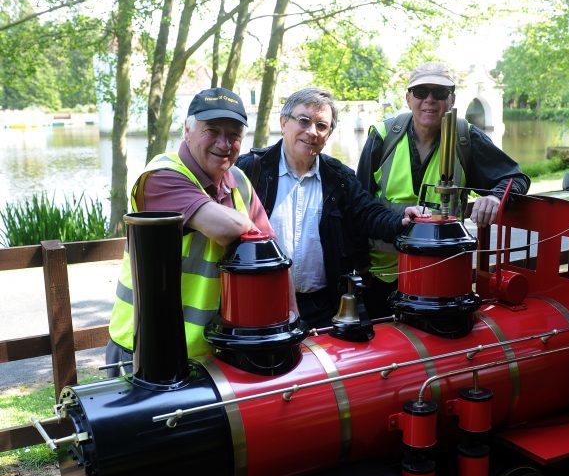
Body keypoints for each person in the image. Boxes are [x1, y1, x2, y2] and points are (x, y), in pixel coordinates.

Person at [107, 87, 273, 364]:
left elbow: (273, 250)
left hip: (209, 352)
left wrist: (291, 317)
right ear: (187, 129)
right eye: (212, 130)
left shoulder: (239, 180)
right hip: (144, 349)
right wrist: (248, 226)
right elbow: (223, 229)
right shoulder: (161, 176)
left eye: (234, 135)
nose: (224, 143)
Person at [237, 87, 423, 328]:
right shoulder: (250, 171)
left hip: (322, 307)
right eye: (304, 121)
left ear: (328, 134)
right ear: (284, 122)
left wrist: (401, 220)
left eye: (322, 126)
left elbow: (368, 213)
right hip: (258, 301)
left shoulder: (339, 177)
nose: (312, 132)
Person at [356, 61, 530, 317]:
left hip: (442, 277)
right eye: (420, 92)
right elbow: (358, 205)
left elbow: (516, 179)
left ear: (451, 99)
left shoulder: (465, 138)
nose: (429, 100)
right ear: (408, 98)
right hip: (382, 277)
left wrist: (494, 197)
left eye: (439, 93)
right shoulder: (383, 137)